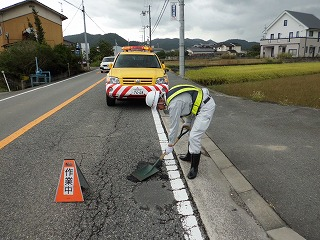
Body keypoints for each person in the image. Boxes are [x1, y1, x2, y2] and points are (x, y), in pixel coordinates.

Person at [145, 84, 216, 179]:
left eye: (157, 107)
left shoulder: (173, 104)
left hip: (205, 107)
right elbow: (188, 104)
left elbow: (173, 127)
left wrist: (170, 144)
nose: (159, 109)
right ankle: (189, 156)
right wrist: (188, 122)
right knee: (191, 134)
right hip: (198, 105)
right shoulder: (170, 95)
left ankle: (194, 168)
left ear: (160, 100)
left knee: (194, 136)